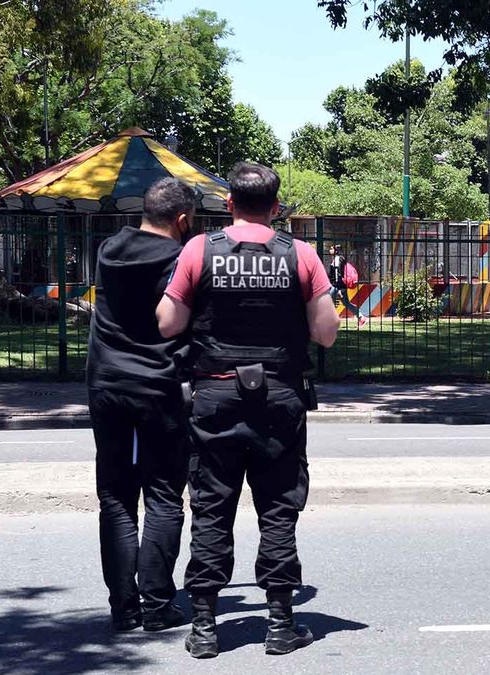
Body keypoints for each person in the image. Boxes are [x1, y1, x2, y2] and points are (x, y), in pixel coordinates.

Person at [157, 162, 339, 659]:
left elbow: (169, 323)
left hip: (214, 397)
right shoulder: (300, 255)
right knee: (278, 508)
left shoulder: (199, 249)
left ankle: (204, 628)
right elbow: (326, 333)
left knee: (212, 508)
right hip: (279, 399)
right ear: (276, 208)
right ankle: (281, 624)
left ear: (229, 204)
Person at [87, 177, 196, 633]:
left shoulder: (109, 249)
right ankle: (156, 604)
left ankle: (123, 608)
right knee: (164, 496)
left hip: (106, 382)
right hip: (160, 385)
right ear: (183, 220)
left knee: (115, 496)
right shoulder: (181, 260)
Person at [328, 244, 366, 326]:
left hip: (337, 286)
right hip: (339, 286)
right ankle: (361, 317)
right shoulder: (339, 259)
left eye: (331, 248)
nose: (329, 250)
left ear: (336, 250)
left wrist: (339, 289)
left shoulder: (337, 259)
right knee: (346, 303)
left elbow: (338, 275)